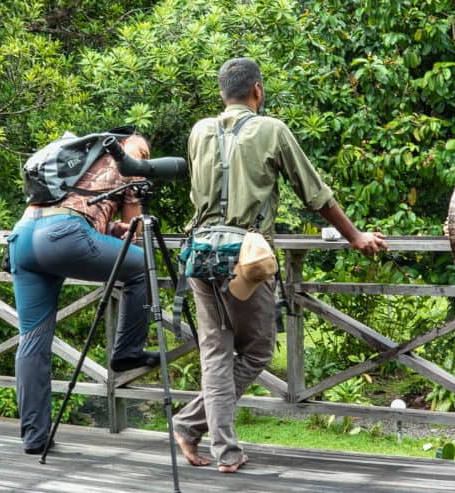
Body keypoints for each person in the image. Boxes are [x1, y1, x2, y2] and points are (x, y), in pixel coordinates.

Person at [172, 58, 389, 473]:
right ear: (257, 89)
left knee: (216, 353)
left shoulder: (200, 130)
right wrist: (355, 236)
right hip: (246, 258)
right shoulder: (271, 130)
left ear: (222, 93)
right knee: (257, 351)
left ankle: (199, 432)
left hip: (199, 253)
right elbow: (315, 194)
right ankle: (208, 438)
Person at [7, 133, 160, 455]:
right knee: (142, 265)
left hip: (23, 237)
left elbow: (83, 213)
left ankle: (35, 437)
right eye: (145, 151)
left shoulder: (80, 159)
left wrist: (108, 229)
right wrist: (129, 218)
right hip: (63, 237)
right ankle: (127, 352)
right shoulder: (127, 155)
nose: (145, 157)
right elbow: (133, 234)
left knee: (32, 340)